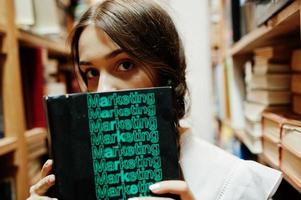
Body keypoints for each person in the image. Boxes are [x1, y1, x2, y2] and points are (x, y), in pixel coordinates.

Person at [27, 0, 282, 199]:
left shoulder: (232, 182)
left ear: (166, 72)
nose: (103, 91)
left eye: (125, 65)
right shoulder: (80, 175)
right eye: (91, 73)